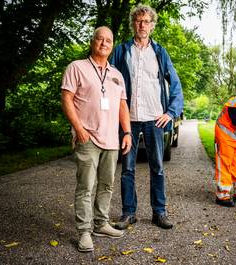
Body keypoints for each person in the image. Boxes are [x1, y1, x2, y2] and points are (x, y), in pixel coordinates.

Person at [110, 4, 183, 230]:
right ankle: (128, 213)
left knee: (157, 167)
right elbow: (108, 80)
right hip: (128, 119)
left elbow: (176, 85)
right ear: (133, 23)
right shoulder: (121, 51)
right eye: (138, 21)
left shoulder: (160, 52)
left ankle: (159, 212)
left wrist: (170, 112)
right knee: (127, 169)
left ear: (152, 26)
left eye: (147, 21)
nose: (142, 25)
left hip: (154, 118)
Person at [61, 26, 132, 252]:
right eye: (99, 39)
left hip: (111, 139)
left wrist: (127, 132)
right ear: (92, 42)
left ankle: (101, 223)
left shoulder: (116, 74)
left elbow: (123, 106)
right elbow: (67, 99)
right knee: (86, 186)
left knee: (106, 185)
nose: (104, 43)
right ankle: (84, 232)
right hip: (87, 137)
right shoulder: (77, 67)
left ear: (112, 45)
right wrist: (78, 128)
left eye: (108, 40)